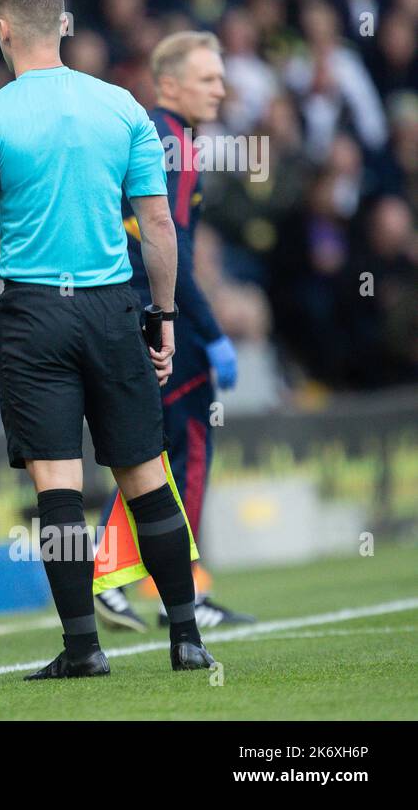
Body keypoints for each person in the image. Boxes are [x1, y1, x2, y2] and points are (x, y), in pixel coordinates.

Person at [0, 0, 215, 679]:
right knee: (146, 476)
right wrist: (164, 316)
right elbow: (157, 224)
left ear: (4, 29)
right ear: (62, 26)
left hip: (34, 315)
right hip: (112, 306)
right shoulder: (122, 107)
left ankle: (83, 647)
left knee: (58, 487)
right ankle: (186, 637)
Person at [96, 31, 256, 633]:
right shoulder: (174, 144)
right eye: (209, 78)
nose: (221, 88)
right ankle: (175, 590)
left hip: (132, 307)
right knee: (184, 448)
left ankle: (120, 580)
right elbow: (172, 245)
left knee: (151, 450)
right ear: (169, 84)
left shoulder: (158, 138)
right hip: (163, 318)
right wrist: (211, 329)